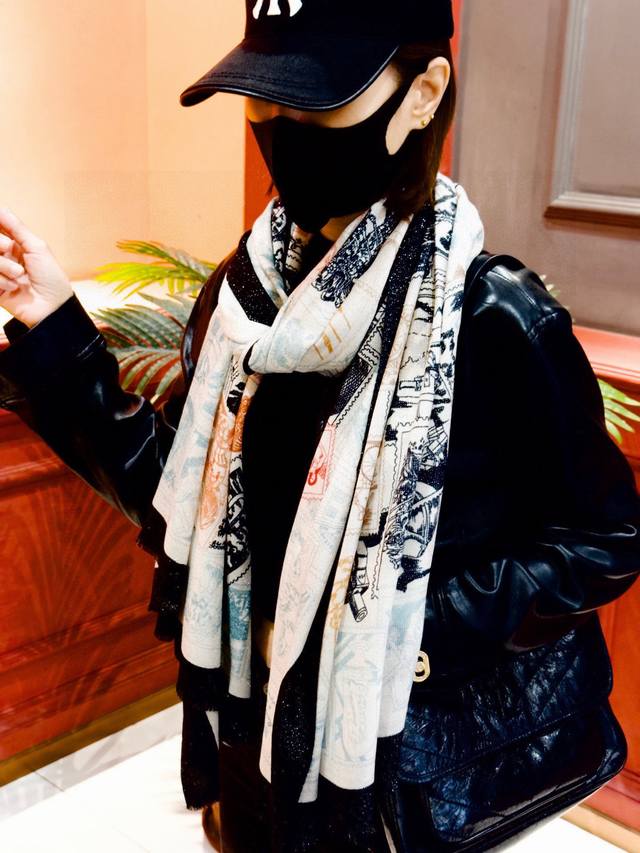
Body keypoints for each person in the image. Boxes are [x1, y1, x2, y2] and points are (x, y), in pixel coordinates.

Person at [1, 2, 639, 852]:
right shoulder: (245, 300)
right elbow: (174, 496)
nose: (283, 130)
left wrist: (414, 630)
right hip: (251, 731)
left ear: (422, 94)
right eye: (264, 102)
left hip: (398, 762)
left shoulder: (491, 316)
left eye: (316, 102)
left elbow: (606, 537)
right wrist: (54, 333)